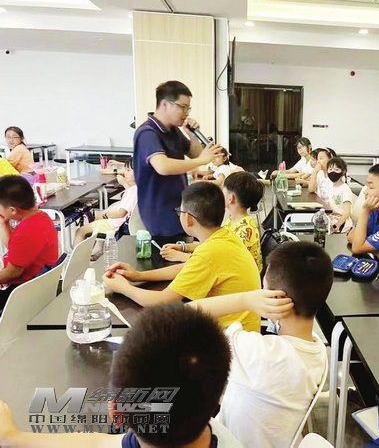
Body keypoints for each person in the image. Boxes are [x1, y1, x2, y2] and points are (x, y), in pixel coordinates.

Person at [0, 304, 242, 447]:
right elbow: (99, 443)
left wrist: (13, 437)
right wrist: (14, 437)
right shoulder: (217, 434)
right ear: (219, 398)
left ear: (115, 412)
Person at [186, 241, 330, 448]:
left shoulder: (259, 352)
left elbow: (182, 316)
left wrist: (245, 300)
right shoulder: (316, 349)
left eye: (263, 289)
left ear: (277, 298)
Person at [103, 182, 261, 332]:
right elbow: (187, 267)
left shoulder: (210, 252)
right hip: (242, 331)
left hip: (232, 339)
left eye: (180, 211)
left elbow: (162, 301)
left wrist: (123, 287)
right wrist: (139, 275)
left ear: (189, 218)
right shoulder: (224, 236)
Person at [133, 80, 218, 238]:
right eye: (183, 107)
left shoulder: (173, 131)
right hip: (161, 213)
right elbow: (163, 166)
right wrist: (202, 161)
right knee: (170, 251)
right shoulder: (147, 133)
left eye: (188, 108)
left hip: (178, 207)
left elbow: (194, 154)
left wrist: (193, 136)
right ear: (165, 104)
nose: (186, 113)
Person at [161, 172, 264, 271]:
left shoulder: (245, 230)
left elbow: (218, 261)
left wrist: (181, 256)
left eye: (223, 189)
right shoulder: (234, 220)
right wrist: (183, 247)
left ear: (230, 198)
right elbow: (211, 245)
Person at [0, 176, 58, 309]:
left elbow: (12, 273)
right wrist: (3, 224)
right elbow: (17, 250)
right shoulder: (41, 218)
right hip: (40, 284)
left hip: (23, 292)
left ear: (13, 210)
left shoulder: (25, 232)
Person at [74, 158, 137, 244]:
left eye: (128, 170)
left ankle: (81, 253)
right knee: (95, 221)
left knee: (80, 231)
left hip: (115, 225)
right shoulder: (139, 188)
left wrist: (105, 215)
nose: (124, 173)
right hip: (122, 223)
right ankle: (90, 250)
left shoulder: (132, 191)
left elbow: (121, 213)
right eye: (125, 170)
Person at [326, 157, 354, 233]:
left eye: (337, 169)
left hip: (342, 222)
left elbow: (347, 212)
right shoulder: (331, 187)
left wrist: (337, 225)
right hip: (332, 218)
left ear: (343, 171)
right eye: (330, 169)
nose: (333, 172)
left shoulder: (345, 188)